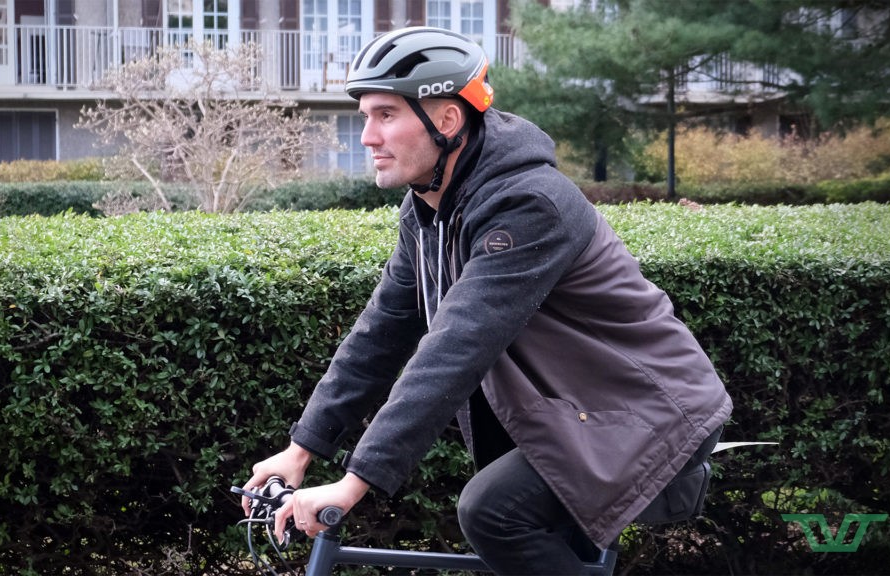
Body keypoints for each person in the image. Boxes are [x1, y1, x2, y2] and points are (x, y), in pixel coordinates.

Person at [241, 26, 732, 575]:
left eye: (386, 115)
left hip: (650, 411)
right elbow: (381, 333)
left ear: (446, 120)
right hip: (582, 411)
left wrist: (354, 483)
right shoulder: (429, 209)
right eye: (365, 116)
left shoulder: (529, 205)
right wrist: (301, 450)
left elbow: (457, 345)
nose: (367, 137)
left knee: (494, 511)